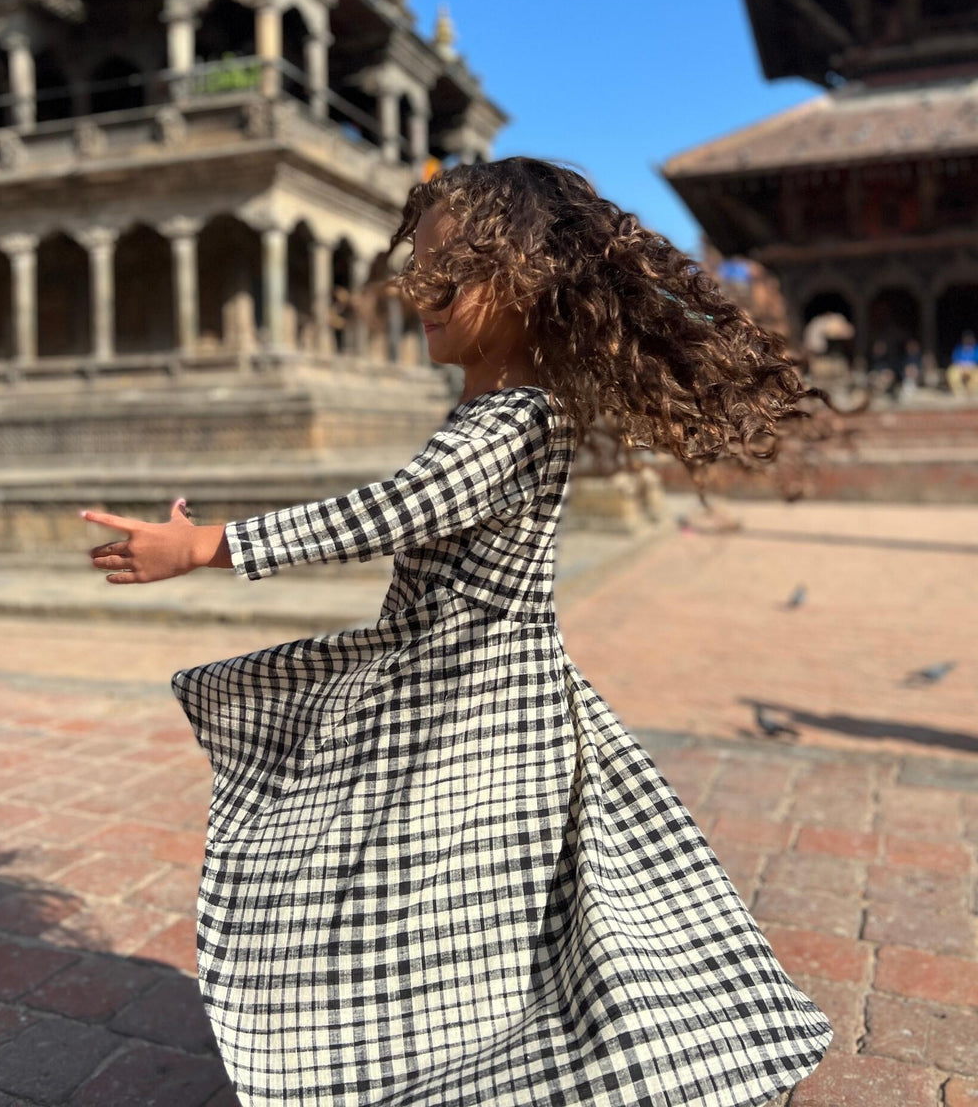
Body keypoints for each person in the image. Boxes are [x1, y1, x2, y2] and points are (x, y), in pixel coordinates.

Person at [81, 157, 833, 1107]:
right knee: (503, 894)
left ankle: (465, 1052)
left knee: (431, 882)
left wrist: (208, 546)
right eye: (418, 275)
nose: (420, 296)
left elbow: (394, 509)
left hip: (472, 701)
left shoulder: (510, 420)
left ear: (530, 284)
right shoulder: (503, 406)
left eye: (450, 279)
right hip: (471, 684)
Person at [947, 328, 978, 398]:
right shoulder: (959, 348)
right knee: (952, 371)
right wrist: (961, 365)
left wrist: (971, 365)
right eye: (966, 338)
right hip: (961, 368)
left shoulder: (976, 348)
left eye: (970, 338)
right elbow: (955, 360)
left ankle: (973, 392)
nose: (968, 340)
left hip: (973, 368)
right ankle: (959, 393)